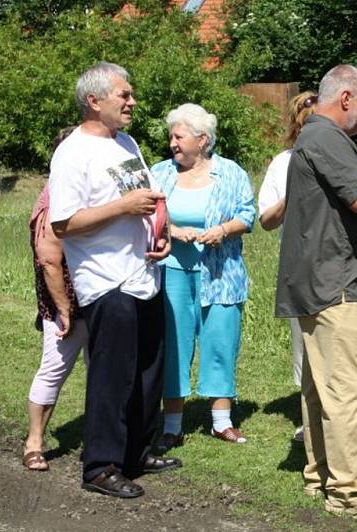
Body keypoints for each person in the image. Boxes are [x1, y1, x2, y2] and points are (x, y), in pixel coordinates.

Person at [275, 64, 357, 517]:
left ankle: (321, 475)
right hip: (336, 285)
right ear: (346, 98)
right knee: (347, 391)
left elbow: (341, 214)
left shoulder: (311, 137)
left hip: (317, 282)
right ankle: (350, 493)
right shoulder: (328, 137)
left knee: (319, 389)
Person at [49, 62, 180, 498]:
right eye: (123, 95)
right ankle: (100, 465)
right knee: (113, 375)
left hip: (144, 271)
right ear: (94, 100)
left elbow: (143, 200)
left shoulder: (126, 142)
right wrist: (123, 208)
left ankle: (136, 452)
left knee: (148, 370)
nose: (132, 102)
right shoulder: (73, 152)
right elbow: (64, 223)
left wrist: (160, 235)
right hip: (105, 280)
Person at [258, 91, 357, 443]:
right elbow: (266, 219)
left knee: (345, 359)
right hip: (315, 270)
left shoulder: (347, 150)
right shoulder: (288, 159)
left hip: (344, 268)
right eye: (303, 113)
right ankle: (343, 475)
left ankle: (339, 435)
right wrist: (301, 187)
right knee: (316, 359)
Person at [151, 103, 256, 450]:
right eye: (171, 136)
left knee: (220, 343)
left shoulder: (231, 172)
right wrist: (172, 228)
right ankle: (172, 425)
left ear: (202, 139)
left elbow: (247, 214)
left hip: (221, 272)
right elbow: (145, 215)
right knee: (174, 346)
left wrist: (224, 230)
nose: (172, 143)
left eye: (178, 136)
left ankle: (221, 422)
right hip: (172, 273)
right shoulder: (161, 173)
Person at [23, 126, 88, 472]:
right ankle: (34, 442)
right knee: (55, 368)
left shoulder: (87, 194)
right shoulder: (53, 201)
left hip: (99, 296)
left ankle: (101, 438)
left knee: (102, 371)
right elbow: (49, 260)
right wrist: (64, 311)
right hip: (67, 303)